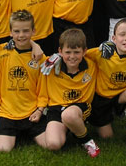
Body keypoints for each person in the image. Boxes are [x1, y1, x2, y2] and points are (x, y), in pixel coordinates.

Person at [85, 18, 126, 152]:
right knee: (107, 137)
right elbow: (78, 54)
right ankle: (92, 118)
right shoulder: (103, 53)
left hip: (121, 97)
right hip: (102, 99)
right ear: (114, 38)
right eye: (122, 35)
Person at [0, 10, 48, 152]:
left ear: (33, 31)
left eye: (25, 31)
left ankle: (27, 131)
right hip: (7, 113)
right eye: (16, 31)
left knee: (49, 144)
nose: (21, 35)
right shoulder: (2, 54)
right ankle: (17, 133)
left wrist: (40, 110)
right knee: (3, 149)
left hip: (31, 112)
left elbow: (43, 88)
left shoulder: (40, 58)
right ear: (10, 32)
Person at [39, 28, 100, 157]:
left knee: (69, 115)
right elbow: (34, 55)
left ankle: (87, 141)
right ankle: (73, 131)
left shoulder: (92, 64)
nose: (72, 57)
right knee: (53, 144)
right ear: (60, 51)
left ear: (84, 51)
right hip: (56, 108)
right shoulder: (50, 65)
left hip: (79, 106)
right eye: (68, 52)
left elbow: (103, 51)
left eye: (77, 52)